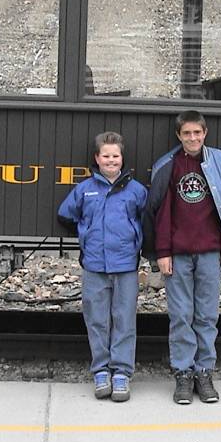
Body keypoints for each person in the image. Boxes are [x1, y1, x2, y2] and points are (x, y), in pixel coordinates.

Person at [143, 110, 221, 405]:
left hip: (210, 252)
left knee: (206, 315)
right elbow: (160, 214)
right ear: (178, 136)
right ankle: (183, 375)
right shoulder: (168, 166)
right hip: (178, 255)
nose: (193, 138)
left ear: (205, 133)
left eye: (197, 133)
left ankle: (204, 373)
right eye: (187, 134)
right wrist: (162, 252)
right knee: (181, 316)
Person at [58, 131, 147, 402]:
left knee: (123, 319)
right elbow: (66, 214)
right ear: (97, 158)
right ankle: (101, 371)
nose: (111, 160)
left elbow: (146, 220)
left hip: (126, 266)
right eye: (105, 155)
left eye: (115, 156)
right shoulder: (85, 189)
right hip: (95, 265)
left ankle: (121, 373)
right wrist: (87, 233)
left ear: (122, 158)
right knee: (97, 320)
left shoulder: (136, 190)